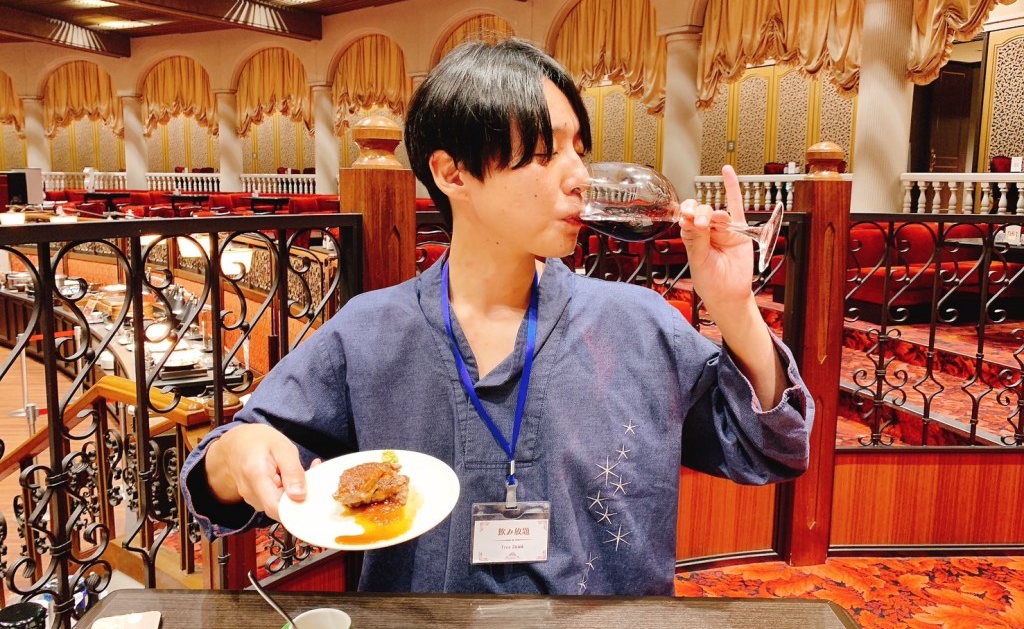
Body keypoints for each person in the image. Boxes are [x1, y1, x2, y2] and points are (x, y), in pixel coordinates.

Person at [181, 38, 813, 595]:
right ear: (452, 172)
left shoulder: (637, 324)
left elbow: (771, 451)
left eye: (579, 150)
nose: (580, 178)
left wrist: (736, 312)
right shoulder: (370, 333)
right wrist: (238, 454)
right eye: (544, 153)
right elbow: (219, 473)